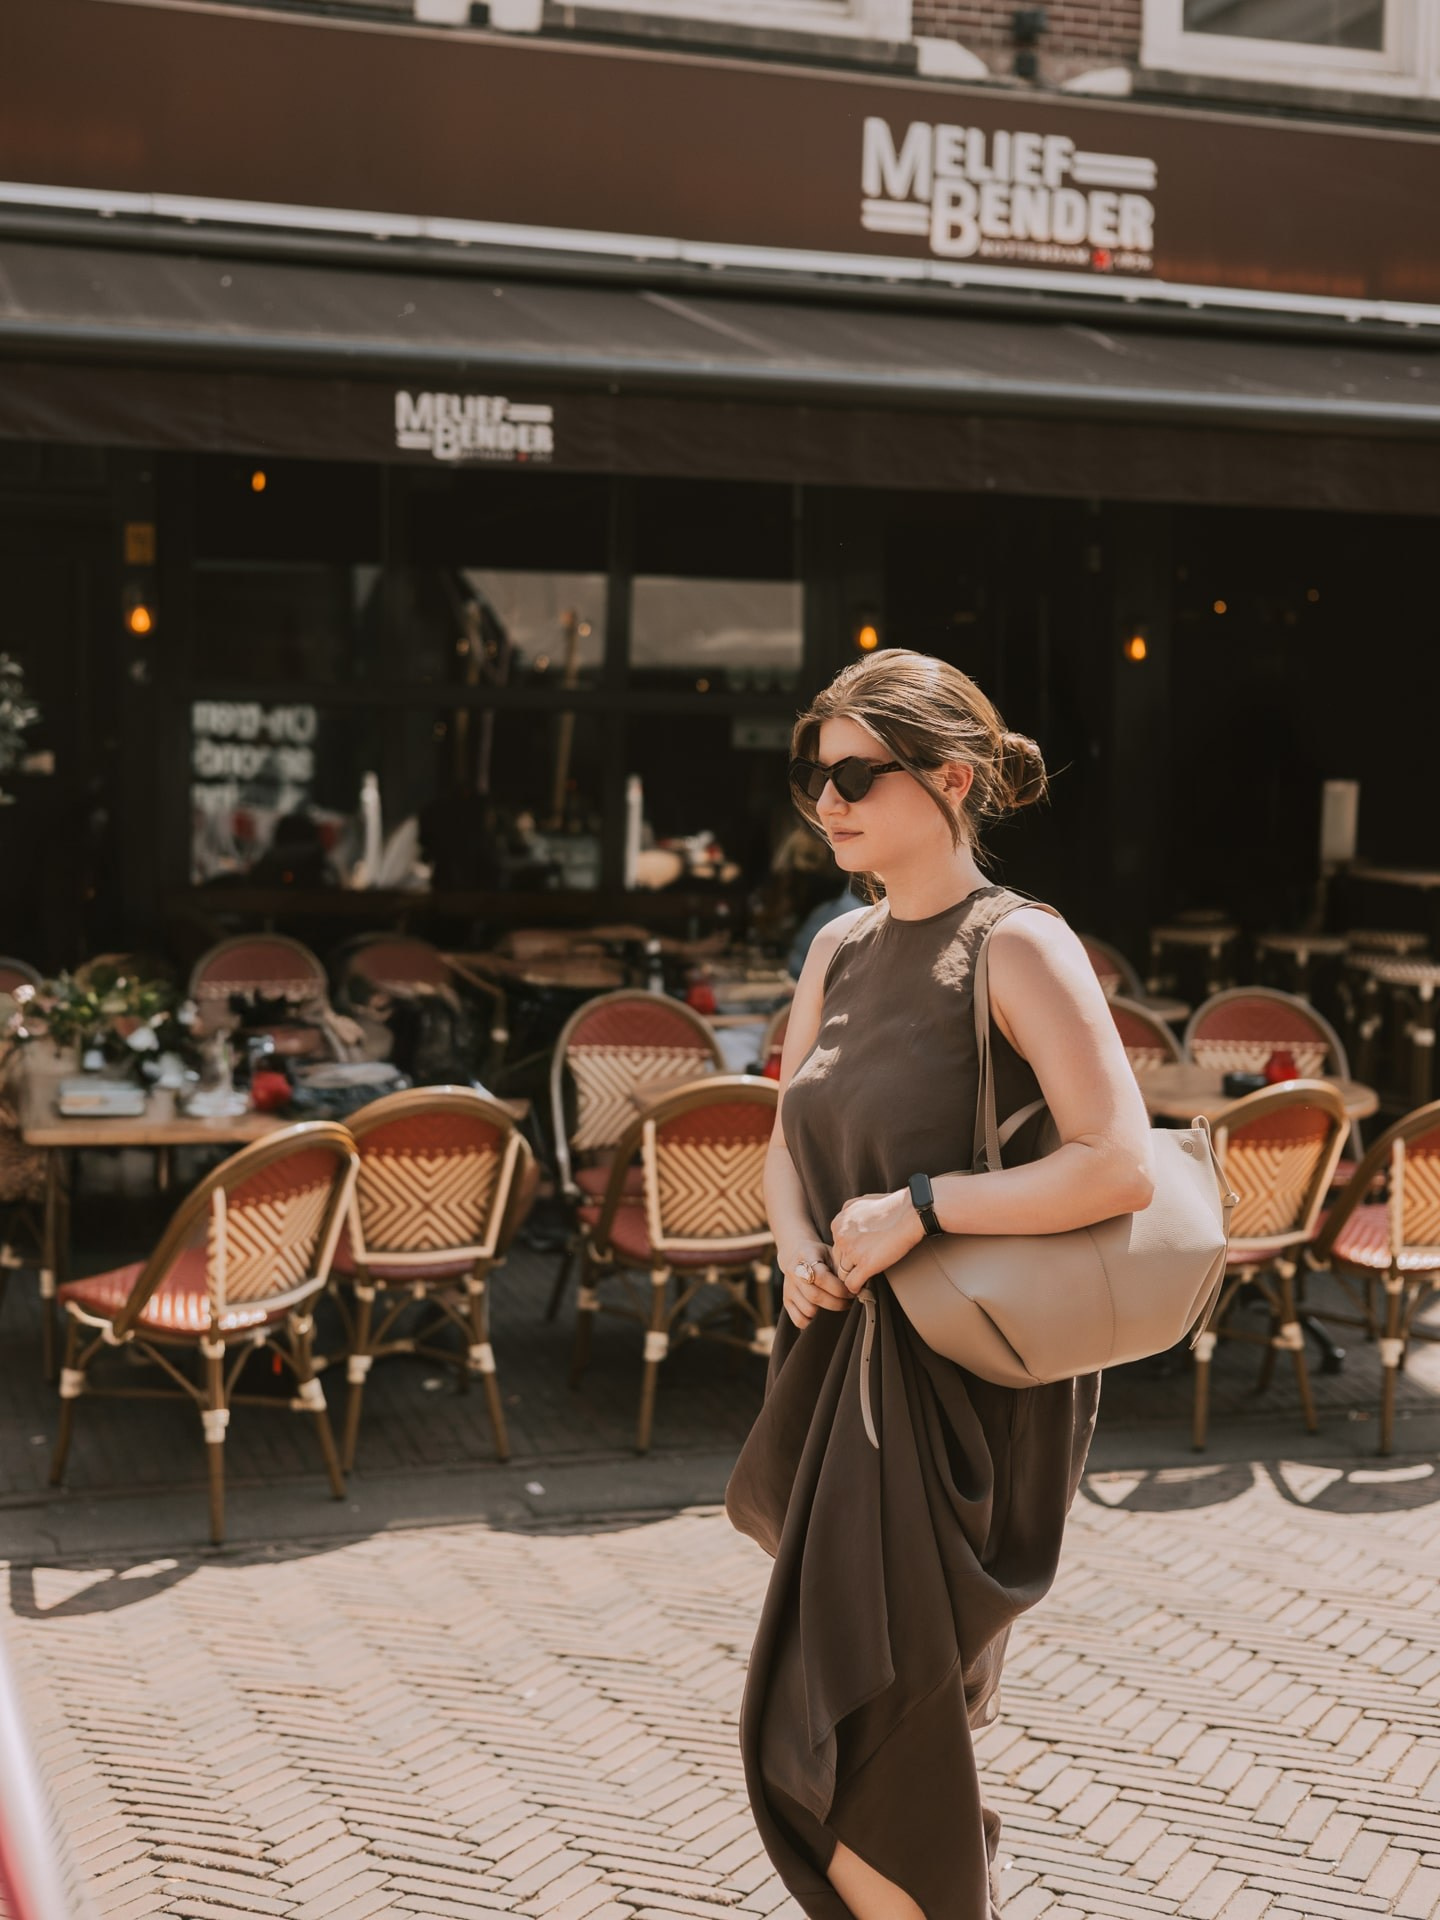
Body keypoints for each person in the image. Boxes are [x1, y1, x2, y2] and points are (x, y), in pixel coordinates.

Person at [725, 649, 1154, 1920]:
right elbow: (783, 1144)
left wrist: (923, 1208)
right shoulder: (838, 950)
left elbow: (1120, 1164)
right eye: (813, 775)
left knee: (865, 1721)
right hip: (843, 1362)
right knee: (865, 1714)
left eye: (855, 773)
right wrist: (800, 1247)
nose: (826, 801)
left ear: (950, 777)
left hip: (967, 1380)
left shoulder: (1019, 946)